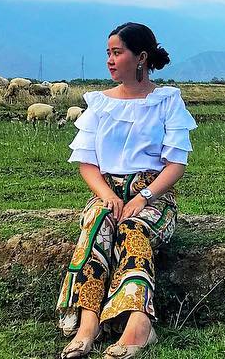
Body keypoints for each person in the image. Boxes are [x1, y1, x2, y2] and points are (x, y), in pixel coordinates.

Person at [58, 22, 197, 359]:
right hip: (107, 191)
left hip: (153, 195)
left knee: (133, 228)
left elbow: (175, 165)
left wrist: (142, 198)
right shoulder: (99, 104)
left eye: (117, 52)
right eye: (108, 53)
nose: (110, 59)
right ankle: (88, 323)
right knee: (97, 224)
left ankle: (139, 323)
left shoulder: (167, 101)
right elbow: (87, 162)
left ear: (141, 57)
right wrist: (107, 195)